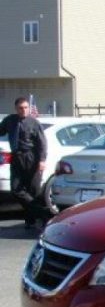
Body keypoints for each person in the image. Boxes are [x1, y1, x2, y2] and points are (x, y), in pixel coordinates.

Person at [0, 97, 55, 228]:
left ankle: (30, 220)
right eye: (21, 108)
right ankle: (43, 212)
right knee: (16, 189)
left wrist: (42, 160)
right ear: (16, 108)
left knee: (33, 190)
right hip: (17, 158)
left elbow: (42, 143)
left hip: (31, 157)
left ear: (29, 108)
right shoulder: (10, 120)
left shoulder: (34, 123)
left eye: (26, 107)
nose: (23, 110)